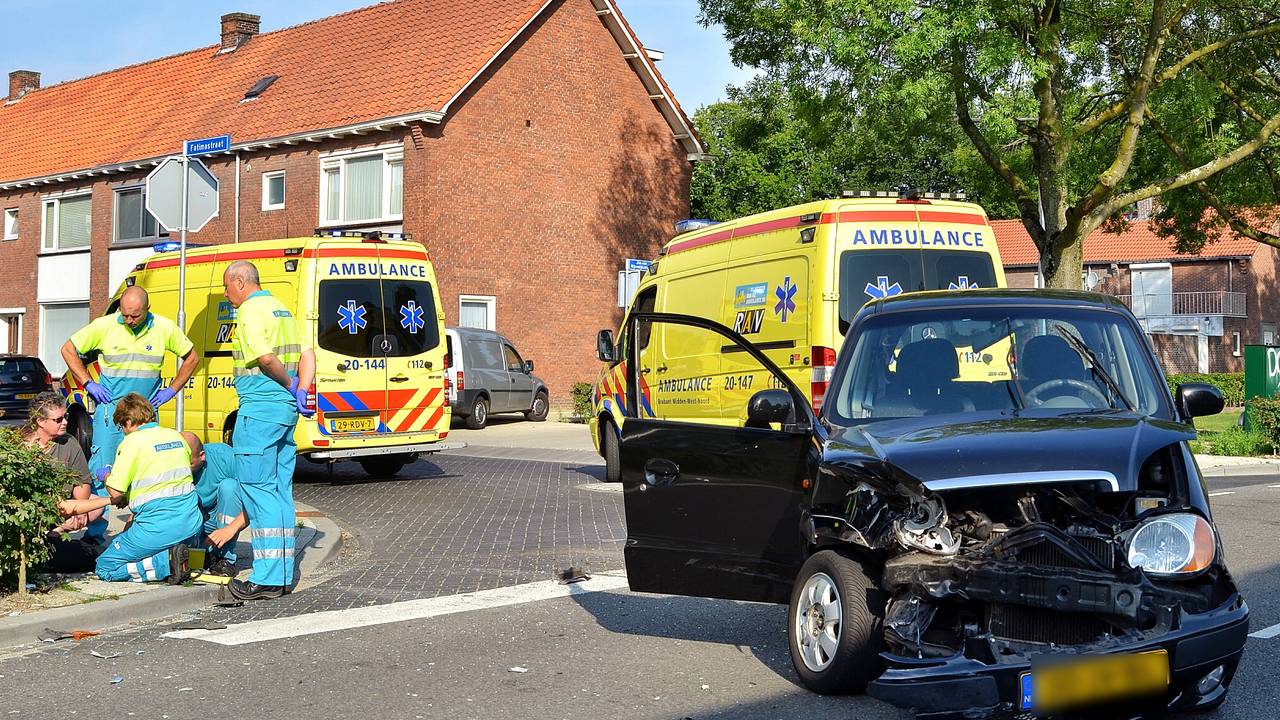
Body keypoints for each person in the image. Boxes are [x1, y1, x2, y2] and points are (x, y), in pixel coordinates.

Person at [60, 286, 199, 538]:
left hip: (145, 415)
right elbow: (68, 349)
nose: (129, 320)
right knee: (102, 472)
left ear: (148, 309)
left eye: (135, 315)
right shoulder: (105, 326)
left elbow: (192, 358)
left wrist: (171, 390)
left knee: (147, 473)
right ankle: (94, 534)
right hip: (111, 412)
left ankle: (141, 531)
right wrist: (88, 383)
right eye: (125, 314)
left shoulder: (164, 328)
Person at [221, 260, 315, 600]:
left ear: (240, 282)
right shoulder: (282, 310)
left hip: (259, 412)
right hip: (286, 415)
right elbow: (307, 353)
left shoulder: (248, 311)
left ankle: (269, 577)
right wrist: (301, 390)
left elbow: (263, 359)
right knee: (278, 491)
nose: (226, 293)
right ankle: (283, 573)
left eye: (227, 286)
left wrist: (290, 383)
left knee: (258, 490)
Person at [56, 393, 202, 584]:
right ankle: (188, 558)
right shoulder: (176, 437)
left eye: (121, 427)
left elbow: (116, 492)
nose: (122, 432)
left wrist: (105, 475)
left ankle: (166, 564)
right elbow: (161, 481)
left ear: (128, 422)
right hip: (191, 523)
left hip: (157, 528)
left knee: (105, 566)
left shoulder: (132, 443)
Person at [21, 392, 103, 572]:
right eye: (58, 420)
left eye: (64, 417)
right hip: (32, 507)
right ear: (41, 422)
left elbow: (82, 481)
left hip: (62, 506)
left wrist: (80, 508)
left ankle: (56, 531)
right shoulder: (23, 446)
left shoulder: (69, 442)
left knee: (96, 505)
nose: (65, 422)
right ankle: (50, 533)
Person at [181, 431, 247, 577]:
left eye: (189, 464)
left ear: (202, 455)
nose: (183, 469)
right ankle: (199, 553)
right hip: (192, 520)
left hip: (218, 519)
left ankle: (224, 558)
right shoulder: (169, 464)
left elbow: (254, 501)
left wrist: (230, 529)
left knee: (230, 487)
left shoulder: (224, 457)